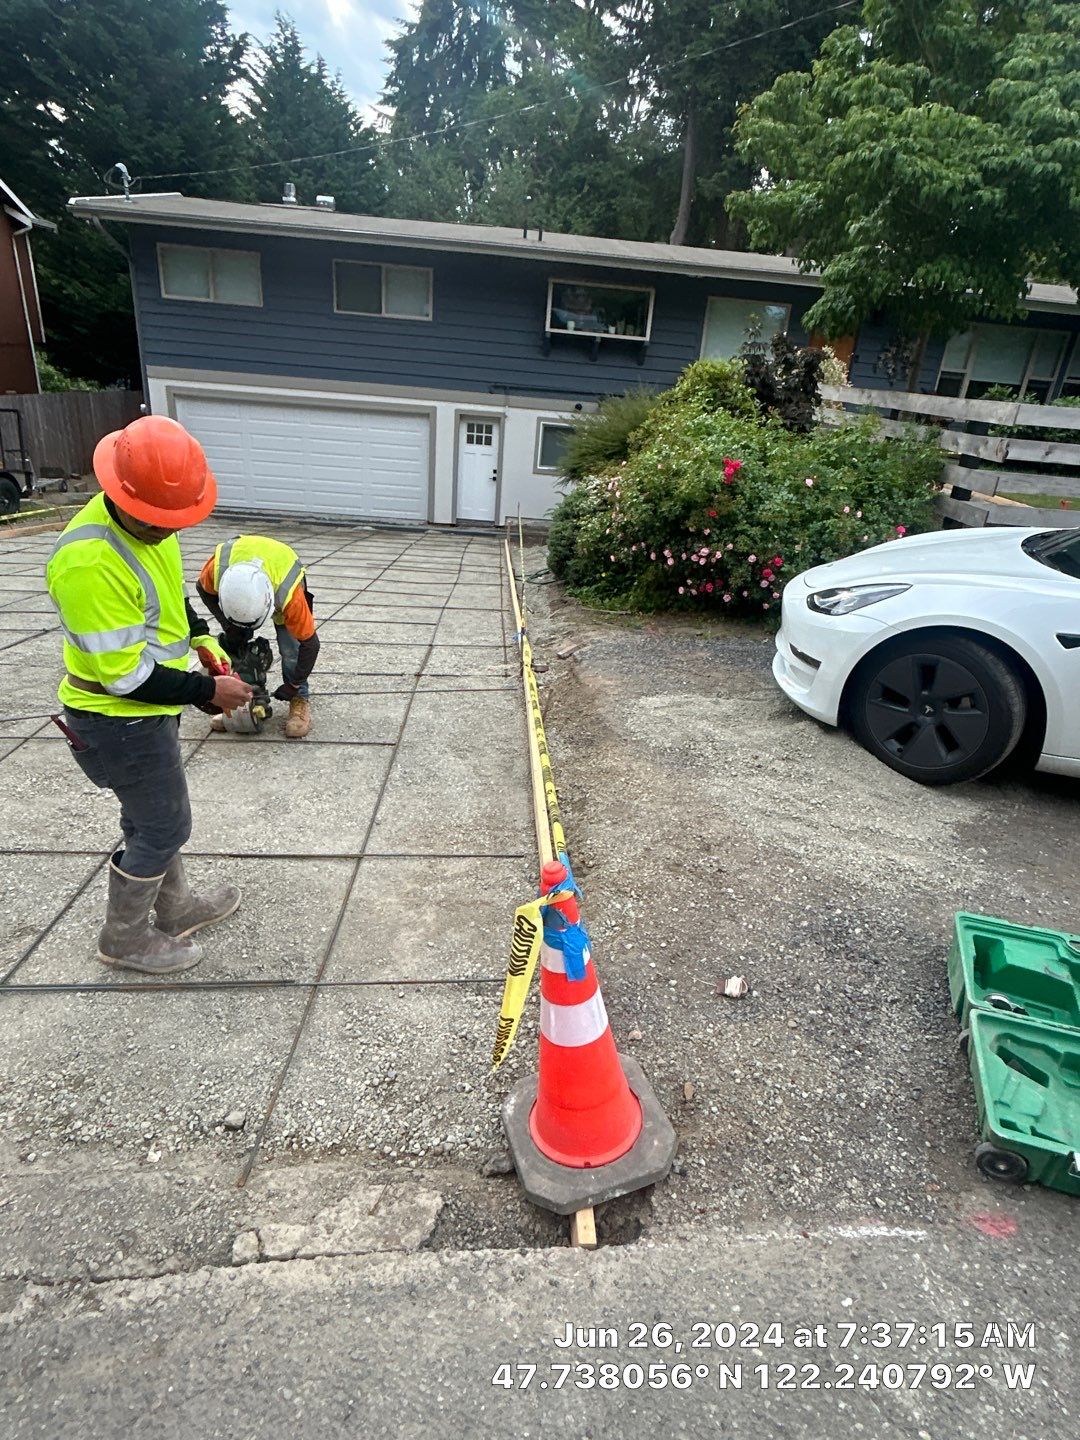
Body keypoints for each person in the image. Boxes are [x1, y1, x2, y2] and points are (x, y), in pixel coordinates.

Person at [46, 416, 254, 976]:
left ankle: (177, 907)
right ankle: (125, 938)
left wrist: (202, 637)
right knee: (163, 826)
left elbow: (169, 594)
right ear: (123, 495)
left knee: (153, 817)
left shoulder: (151, 519)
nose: (169, 531)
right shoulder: (87, 564)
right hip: (116, 719)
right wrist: (210, 691)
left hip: (146, 711)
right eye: (160, 522)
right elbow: (126, 678)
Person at [195, 535, 319, 739]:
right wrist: (227, 625)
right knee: (234, 639)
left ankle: (299, 699)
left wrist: (293, 685)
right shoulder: (217, 571)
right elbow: (203, 589)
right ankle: (240, 697)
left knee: (291, 649)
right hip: (241, 561)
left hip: (281, 565)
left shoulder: (288, 595)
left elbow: (310, 645)